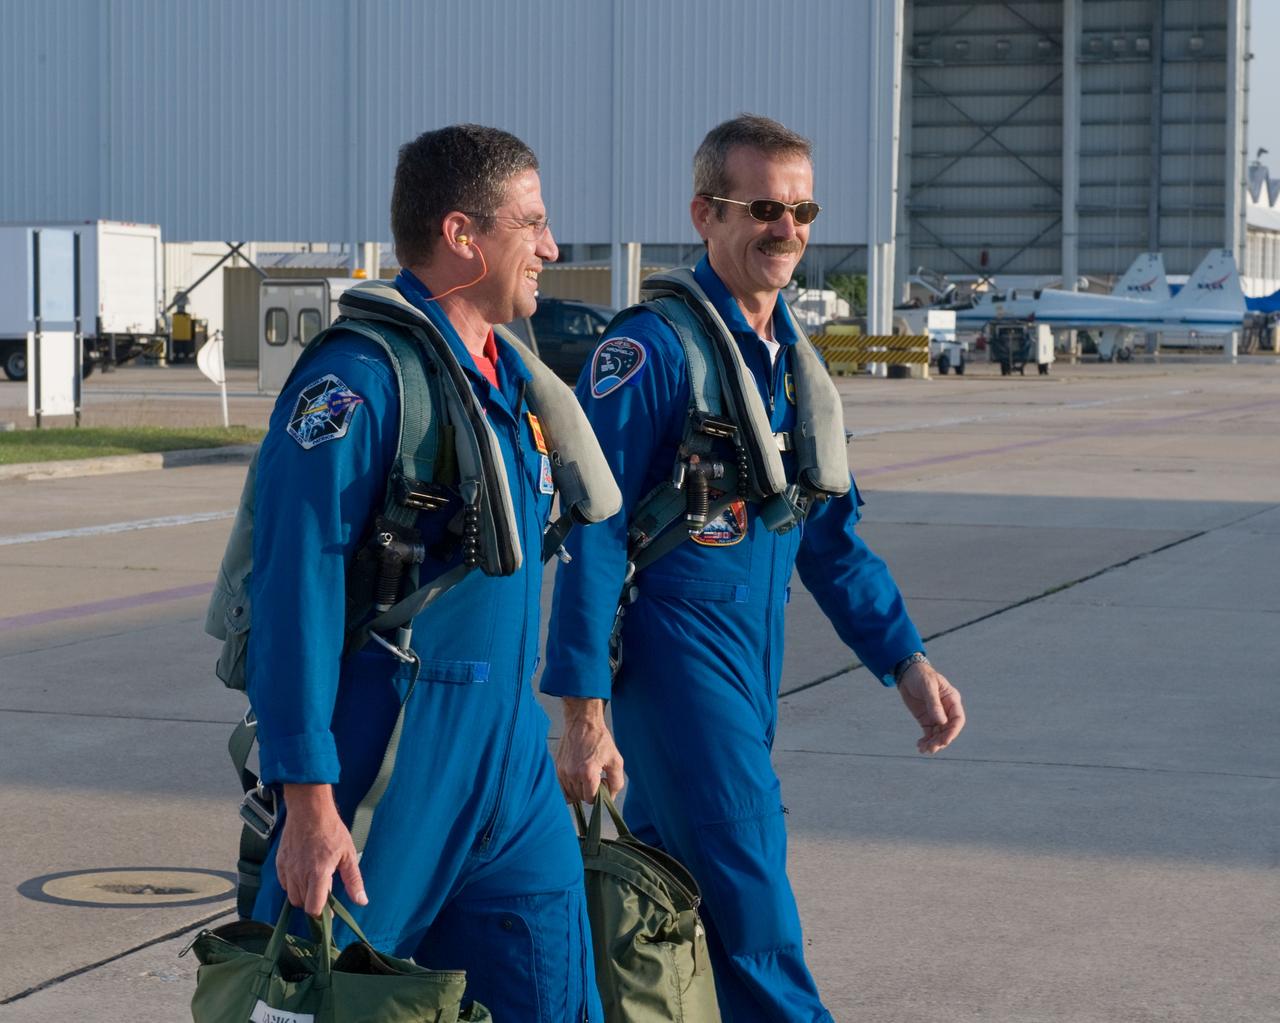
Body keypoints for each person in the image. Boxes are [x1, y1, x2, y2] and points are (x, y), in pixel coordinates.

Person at [541, 114, 966, 1022]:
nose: (788, 229)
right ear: (705, 213)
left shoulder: (788, 367)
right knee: (755, 916)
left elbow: (829, 537)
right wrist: (582, 710)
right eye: (763, 207)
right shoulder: (651, 350)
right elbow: (590, 532)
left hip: (746, 671)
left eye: (802, 208)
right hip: (677, 670)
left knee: (675, 918)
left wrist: (906, 659)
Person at [247, 124, 603, 1022]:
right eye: (533, 222)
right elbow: (294, 588)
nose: (552, 248)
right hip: (393, 761)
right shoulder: (359, 384)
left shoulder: (510, 382)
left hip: (510, 764)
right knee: (323, 1001)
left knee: (558, 997)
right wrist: (306, 796)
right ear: (462, 236)